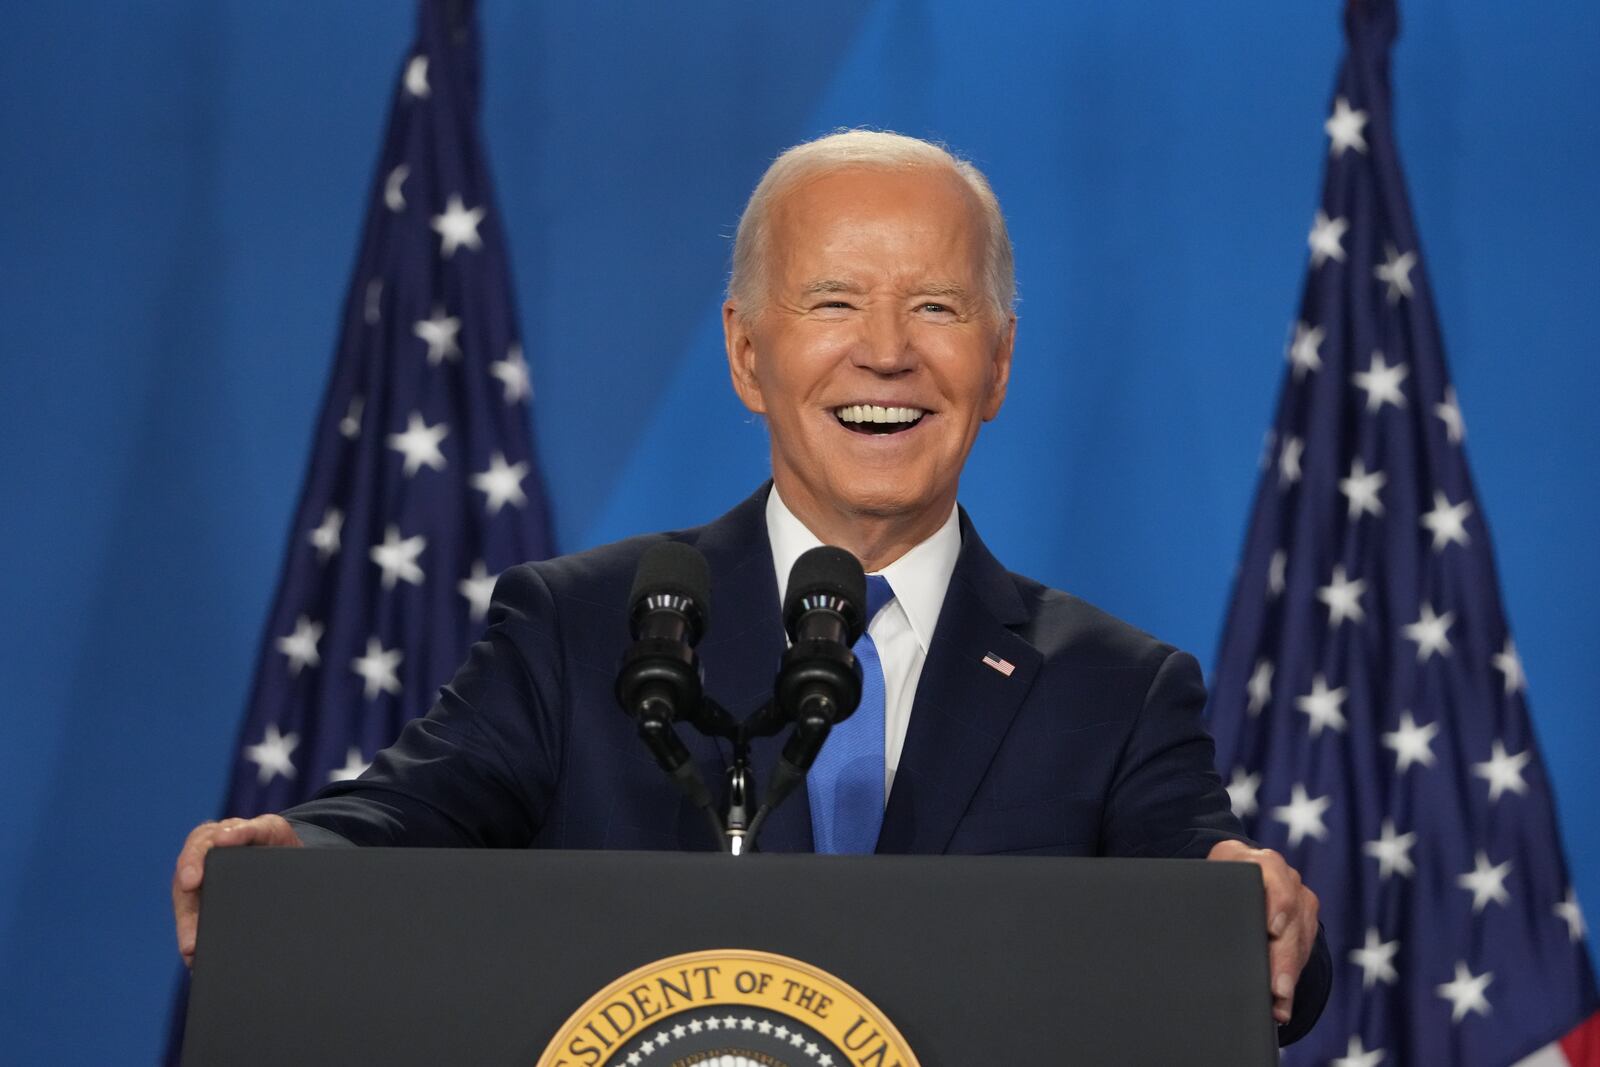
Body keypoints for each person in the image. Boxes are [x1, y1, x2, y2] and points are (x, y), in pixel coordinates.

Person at [174, 130, 1328, 1041]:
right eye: (832, 302)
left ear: (998, 364)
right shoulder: (585, 629)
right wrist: (297, 863)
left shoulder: (1115, 688)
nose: (886, 350)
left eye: (935, 306)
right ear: (744, 354)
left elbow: (1213, 910)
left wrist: (1262, 915)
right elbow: (407, 817)